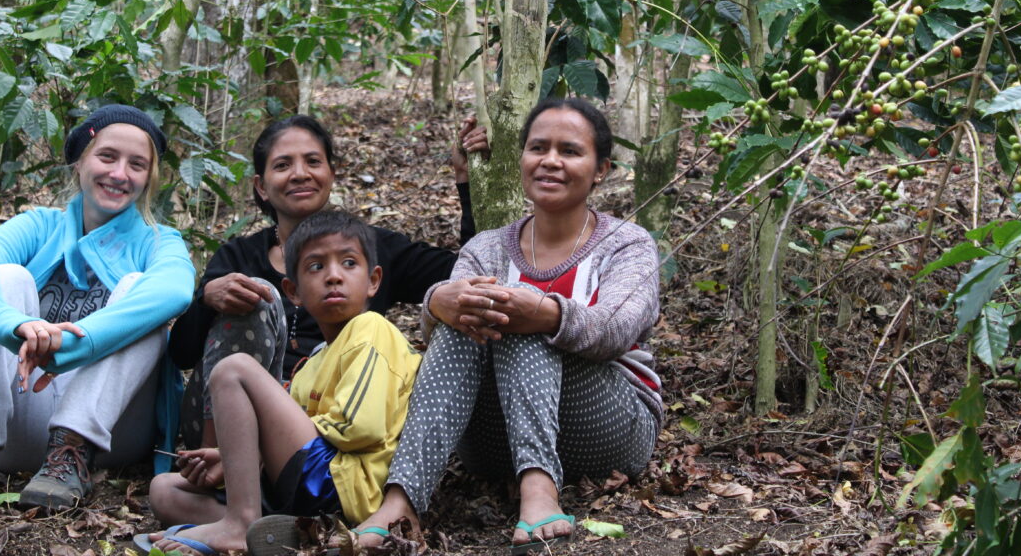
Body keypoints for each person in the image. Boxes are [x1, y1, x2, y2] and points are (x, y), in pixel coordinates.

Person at [344, 97, 664, 553]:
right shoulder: (486, 247)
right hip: (494, 442)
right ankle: (401, 500)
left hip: (609, 428)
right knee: (478, 313)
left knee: (515, 317)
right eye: (538, 148)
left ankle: (539, 491)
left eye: (570, 151)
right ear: (522, 159)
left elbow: (615, 330)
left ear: (601, 170)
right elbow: (444, 336)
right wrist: (437, 303)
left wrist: (544, 313)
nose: (550, 160)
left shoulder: (627, 244)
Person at [0, 104, 196, 523]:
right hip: (16, 425)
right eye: (107, 156)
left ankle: (70, 452)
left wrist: (68, 343)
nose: (120, 174)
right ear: (80, 161)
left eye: (137, 165)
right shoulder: (38, 226)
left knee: (140, 290)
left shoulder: (158, 240)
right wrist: (17, 329)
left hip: (106, 435)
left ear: (149, 179)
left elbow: (176, 288)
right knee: (4, 277)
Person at [168, 113, 485, 448]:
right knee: (250, 295)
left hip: (337, 420)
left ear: (331, 174)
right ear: (261, 186)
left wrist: (467, 181)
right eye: (283, 165)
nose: (300, 174)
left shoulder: (371, 250)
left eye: (313, 161)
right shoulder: (238, 257)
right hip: (233, 418)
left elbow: (468, 270)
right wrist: (206, 300)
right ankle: (219, 463)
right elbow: (183, 355)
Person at [136, 211, 422, 556]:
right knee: (164, 490)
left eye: (348, 263)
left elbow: (360, 428)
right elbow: (289, 443)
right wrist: (234, 461)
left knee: (233, 369)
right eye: (316, 267)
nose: (333, 276)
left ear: (374, 280)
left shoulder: (372, 329)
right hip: (305, 492)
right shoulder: (311, 362)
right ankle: (286, 536)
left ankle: (240, 525)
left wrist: (259, 452)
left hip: (344, 486)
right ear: (293, 291)